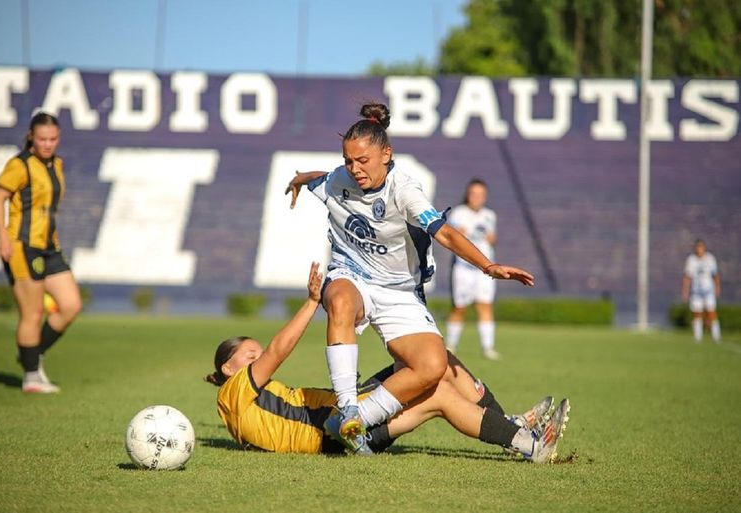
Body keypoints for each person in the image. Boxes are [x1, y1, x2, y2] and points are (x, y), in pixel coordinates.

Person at [285, 103, 535, 453]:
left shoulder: (405, 190)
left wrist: (487, 266)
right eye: (348, 161)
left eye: (363, 161)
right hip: (352, 275)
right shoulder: (340, 178)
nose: (354, 169)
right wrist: (299, 179)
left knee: (434, 365)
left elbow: (444, 234)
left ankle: (353, 421)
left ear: (386, 154)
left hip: (400, 290)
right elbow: (320, 179)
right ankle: (347, 407)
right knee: (340, 300)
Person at [205, 262, 570, 462]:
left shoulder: (243, 404)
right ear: (228, 369)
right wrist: (312, 302)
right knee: (438, 391)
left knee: (435, 361)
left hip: (339, 416)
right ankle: (528, 443)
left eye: (255, 353)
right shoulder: (235, 392)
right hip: (334, 432)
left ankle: (510, 424)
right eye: (249, 356)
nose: (258, 359)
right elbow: (278, 350)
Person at [0, 112, 82, 393]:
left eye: (53, 139)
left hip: (49, 247)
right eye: (42, 139)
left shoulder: (58, 164)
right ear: (31, 136)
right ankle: (31, 376)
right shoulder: (19, 165)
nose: (47, 144)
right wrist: (2, 236)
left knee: (70, 305)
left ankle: (30, 353)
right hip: (22, 246)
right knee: (32, 313)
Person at [445, 179, 500, 359]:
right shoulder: (459, 213)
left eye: (480, 194)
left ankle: (488, 347)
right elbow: (454, 236)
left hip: (484, 269)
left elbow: (492, 240)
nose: (476, 198)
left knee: (484, 305)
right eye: (473, 194)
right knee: (459, 307)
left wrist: (491, 238)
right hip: (464, 268)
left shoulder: (490, 215)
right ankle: (451, 346)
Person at [682, 239, 721, 343]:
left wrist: (717, 287)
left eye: (701, 247)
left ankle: (716, 336)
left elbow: (715, 274)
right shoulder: (691, 260)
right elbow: (687, 276)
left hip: (708, 290)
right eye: (697, 247)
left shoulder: (710, 259)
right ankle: (698, 337)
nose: (699, 249)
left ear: (704, 248)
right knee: (697, 313)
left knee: (711, 312)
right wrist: (685, 290)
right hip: (696, 291)